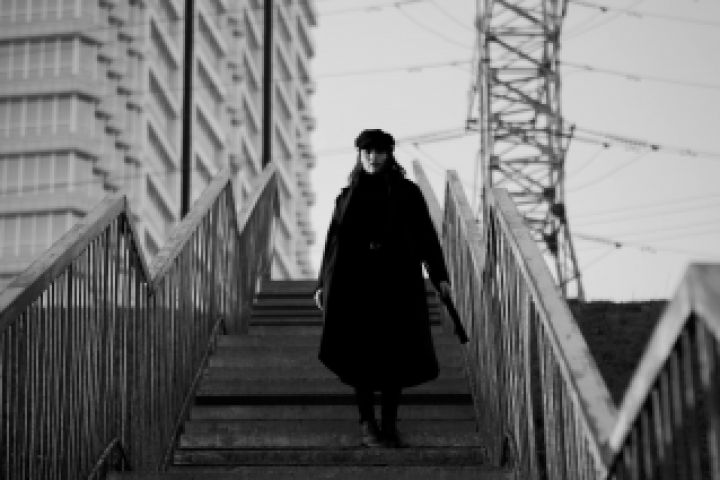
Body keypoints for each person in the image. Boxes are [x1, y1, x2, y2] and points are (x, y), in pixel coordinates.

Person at [313, 128, 452, 448]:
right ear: (360, 155)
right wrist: (322, 283)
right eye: (367, 152)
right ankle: (367, 423)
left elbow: (425, 236)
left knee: (394, 354)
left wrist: (440, 276)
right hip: (355, 286)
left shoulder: (407, 192)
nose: (373, 158)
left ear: (389, 155)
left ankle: (389, 424)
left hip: (396, 284)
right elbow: (333, 242)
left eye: (379, 152)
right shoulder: (347, 196)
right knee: (359, 355)